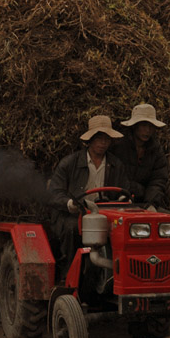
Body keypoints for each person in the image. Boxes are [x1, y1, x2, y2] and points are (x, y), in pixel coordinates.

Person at [47, 114, 131, 280]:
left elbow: (124, 190)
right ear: (90, 140)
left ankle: (119, 275)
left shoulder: (115, 164)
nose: (102, 143)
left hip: (105, 214)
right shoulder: (69, 163)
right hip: (75, 214)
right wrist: (69, 203)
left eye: (106, 139)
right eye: (98, 138)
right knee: (72, 229)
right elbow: (54, 193)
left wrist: (123, 200)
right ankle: (69, 277)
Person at [109, 103, 168, 209]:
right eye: (144, 125)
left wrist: (151, 203)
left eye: (151, 126)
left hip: (143, 202)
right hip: (116, 201)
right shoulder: (118, 146)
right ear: (135, 126)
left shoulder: (156, 150)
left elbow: (158, 180)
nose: (148, 130)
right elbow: (112, 175)